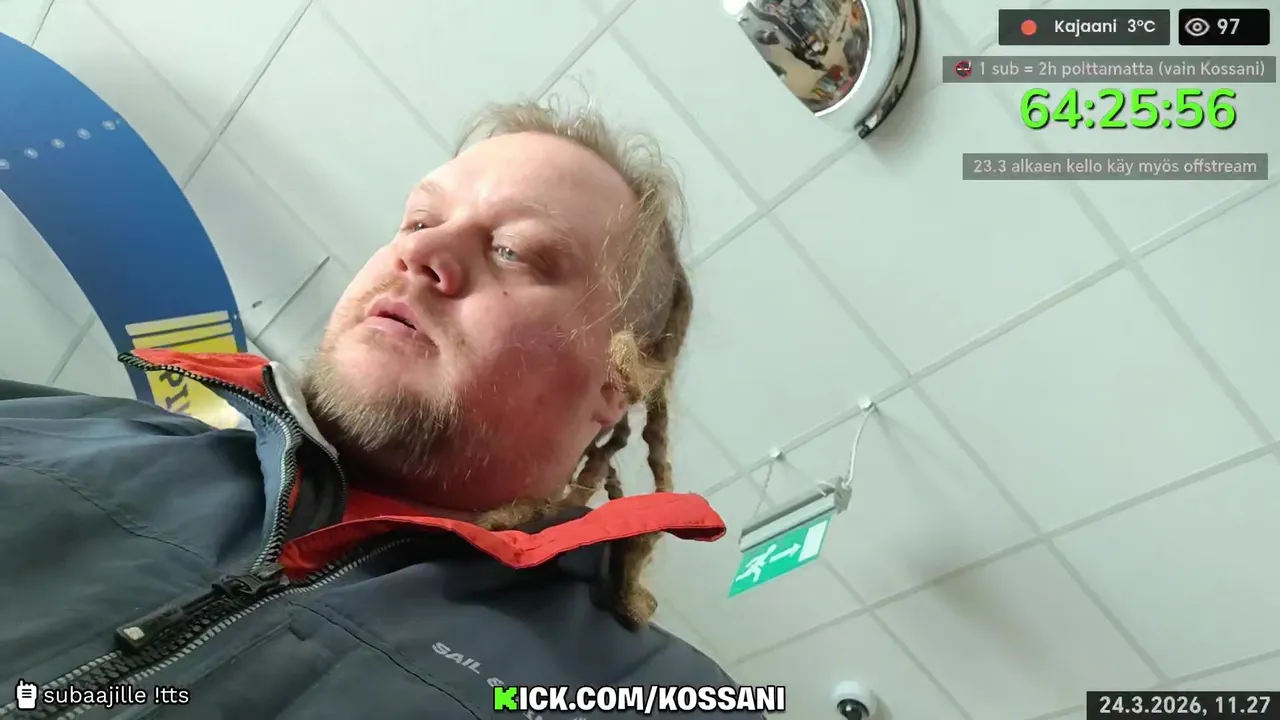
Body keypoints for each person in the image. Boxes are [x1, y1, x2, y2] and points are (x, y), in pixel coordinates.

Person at [0, 101, 769, 718]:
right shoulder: (45, 429)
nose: (420, 253)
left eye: (513, 250)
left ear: (616, 381)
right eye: (421, 221)